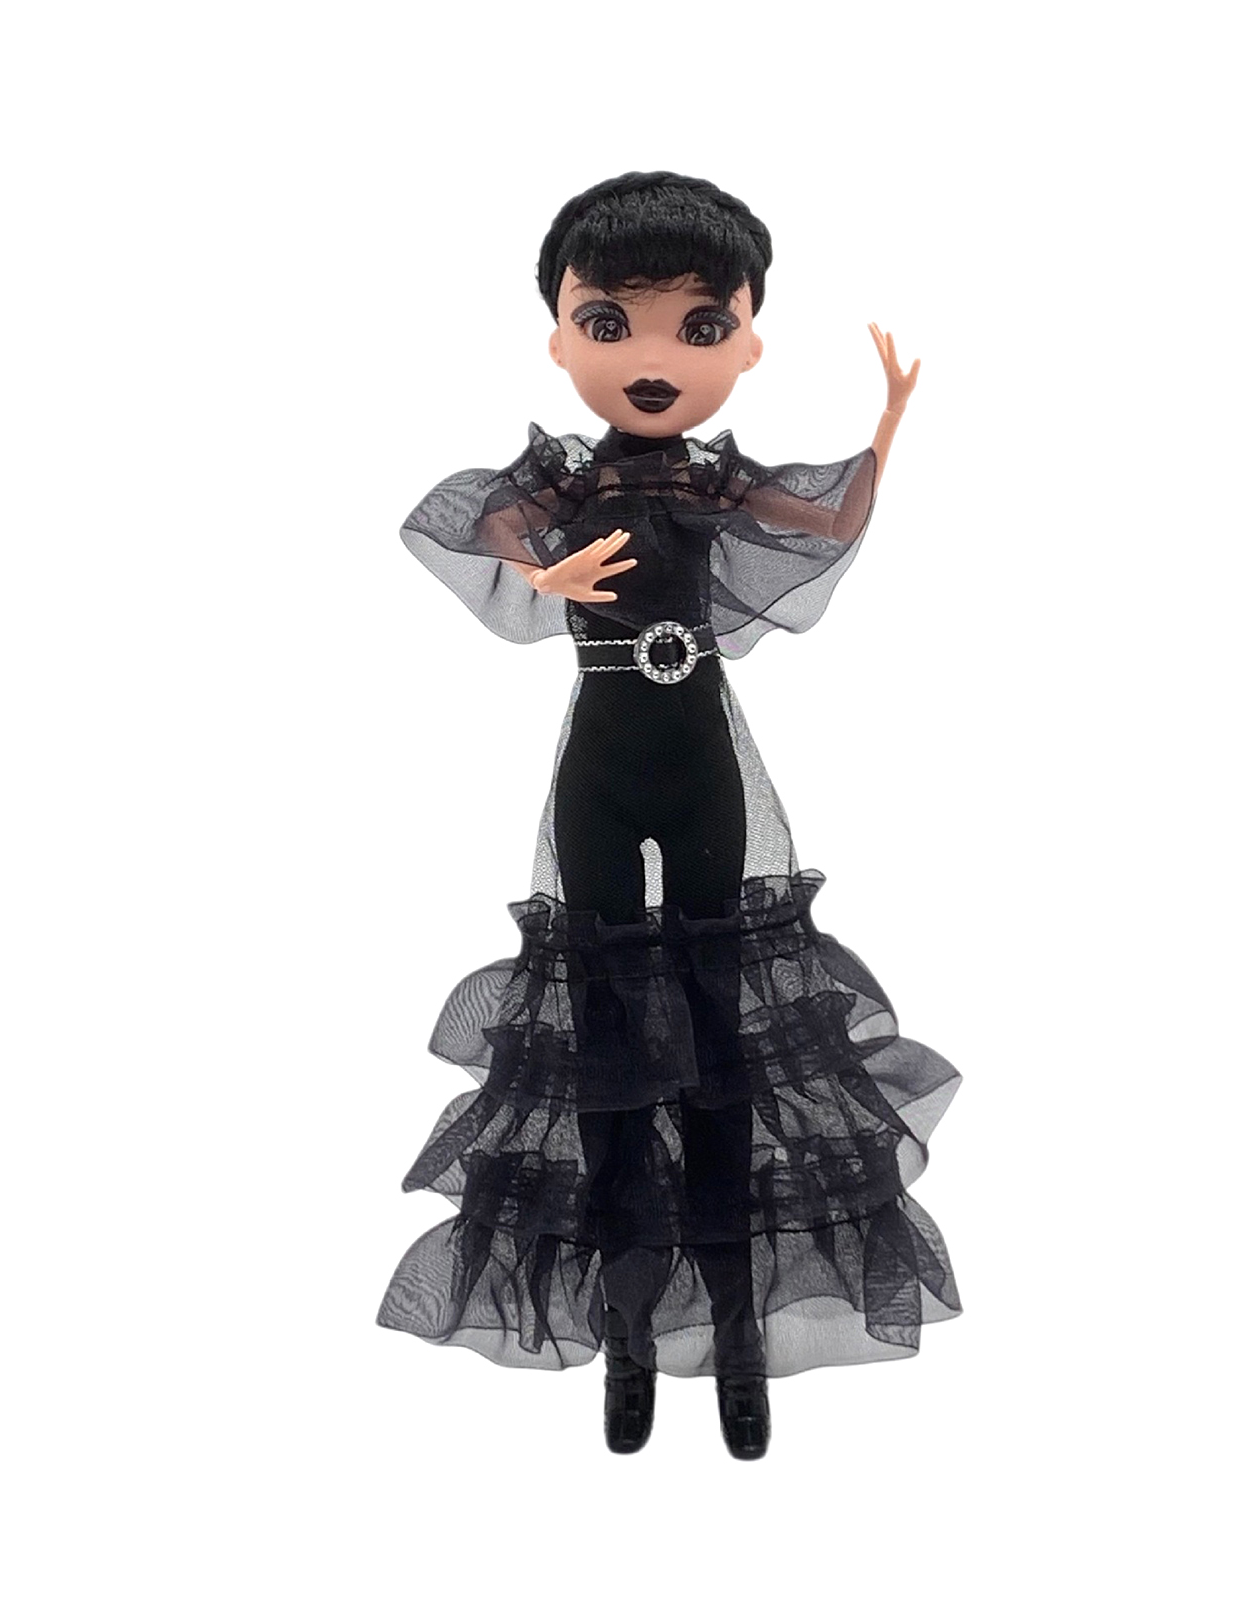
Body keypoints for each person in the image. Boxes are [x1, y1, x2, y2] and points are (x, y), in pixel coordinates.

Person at [378, 172, 962, 1459]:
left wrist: (884, 432)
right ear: (559, 337)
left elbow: (824, 521)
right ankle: (628, 1336)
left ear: (747, 342)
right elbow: (479, 523)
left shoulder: (713, 480)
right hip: (601, 768)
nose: (653, 358)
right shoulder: (560, 482)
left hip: (701, 764)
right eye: (610, 321)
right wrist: (543, 569)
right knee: (600, 1046)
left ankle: (738, 1336)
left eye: (700, 327)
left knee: (718, 1046)